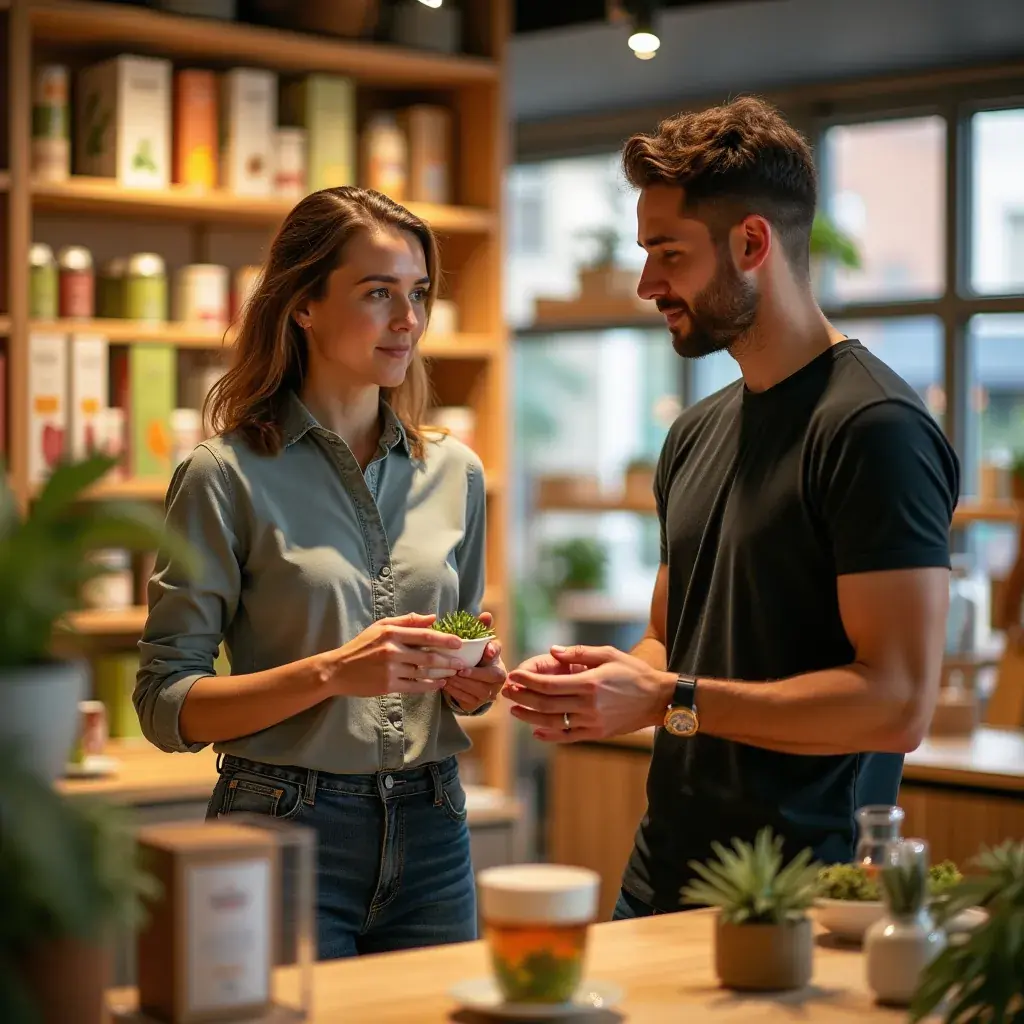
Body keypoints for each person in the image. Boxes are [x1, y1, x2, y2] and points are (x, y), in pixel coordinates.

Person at [504, 96, 960, 919]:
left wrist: (667, 699)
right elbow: (670, 642)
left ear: (751, 244)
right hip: (663, 877)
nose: (648, 284)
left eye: (667, 254)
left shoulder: (874, 429)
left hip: (808, 899)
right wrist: (606, 679)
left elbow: (898, 703)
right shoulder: (694, 433)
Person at [134, 186, 506, 957]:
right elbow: (167, 704)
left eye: (419, 294)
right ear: (303, 304)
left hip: (436, 825)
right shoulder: (223, 475)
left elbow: (463, 618)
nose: (408, 320)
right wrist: (333, 673)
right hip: (280, 821)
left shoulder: (458, 473)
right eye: (378, 294)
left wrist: (477, 672)